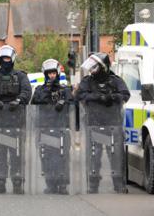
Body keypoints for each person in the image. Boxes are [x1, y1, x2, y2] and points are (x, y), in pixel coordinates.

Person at [76, 52, 130, 193]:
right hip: (93, 124)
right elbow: (80, 95)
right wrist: (98, 97)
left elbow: (125, 94)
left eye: (95, 67)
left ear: (103, 67)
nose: (92, 70)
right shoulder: (87, 81)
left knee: (116, 156)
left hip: (113, 124)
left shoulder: (115, 80)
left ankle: (119, 185)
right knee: (94, 156)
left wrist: (111, 97)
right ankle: (92, 186)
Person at [0, 45, 31, 194]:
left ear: (12, 59)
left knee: (16, 153)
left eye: (8, 58)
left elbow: (27, 91)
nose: (5, 61)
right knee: (0, 154)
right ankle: (0, 182)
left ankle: (17, 182)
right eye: (3, 59)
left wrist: (19, 100)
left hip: (16, 119)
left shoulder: (21, 76)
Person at [31, 59, 73, 194]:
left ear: (57, 73)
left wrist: (63, 101)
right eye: (49, 73)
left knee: (62, 156)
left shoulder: (64, 89)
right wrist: (47, 92)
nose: (51, 76)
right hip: (44, 127)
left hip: (61, 128)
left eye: (53, 73)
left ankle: (62, 184)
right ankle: (50, 184)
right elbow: (34, 104)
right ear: (45, 74)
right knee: (46, 157)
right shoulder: (39, 89)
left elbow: (73, 103)